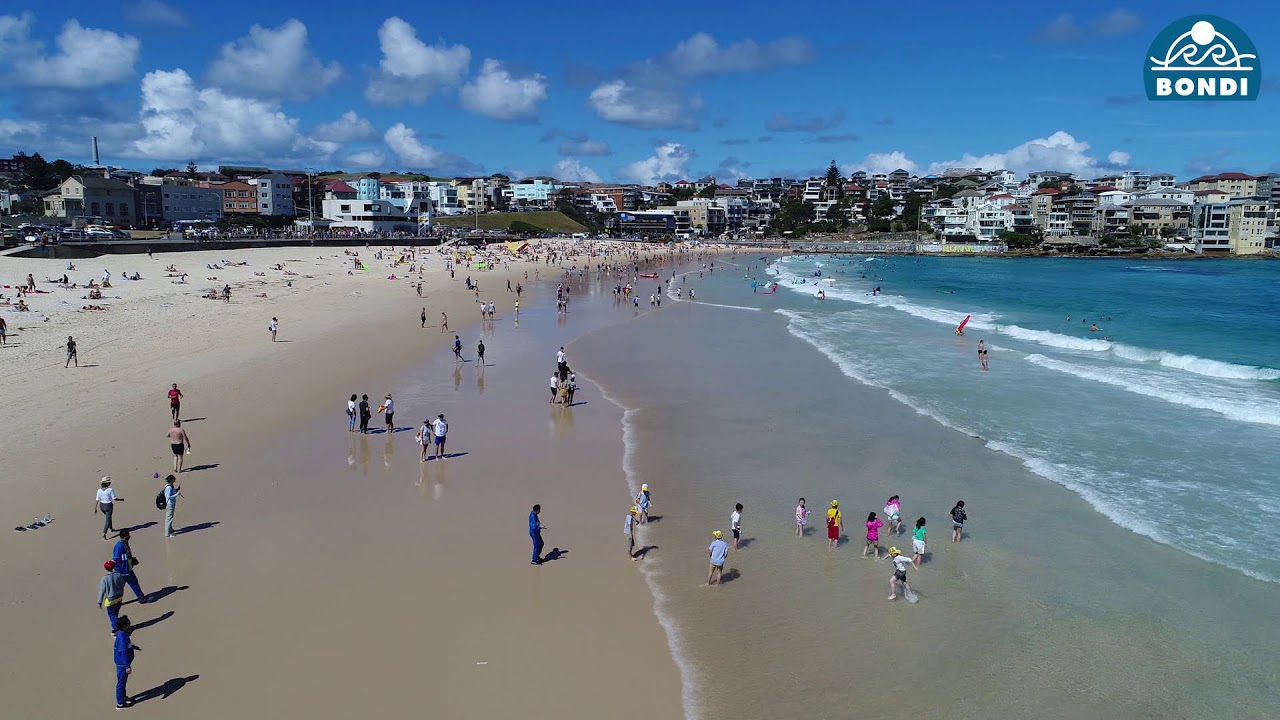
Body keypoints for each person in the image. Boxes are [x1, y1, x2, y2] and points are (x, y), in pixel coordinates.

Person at [111, 530, 146, 603]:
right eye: (128, 537)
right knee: (132, 584)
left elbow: (126, 556)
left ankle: (114, 601)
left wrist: (132, 559)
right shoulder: (119, 547)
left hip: (127, 569)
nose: (129, 538)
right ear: (124, 537)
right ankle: (141, 598)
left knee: (123, 587)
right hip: (123, 571)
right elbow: (115, 559)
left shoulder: (124, 544)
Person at [98, 560, 126, 632]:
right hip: (119, 598)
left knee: (112, 616)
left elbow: (102, 591)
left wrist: (100, 601)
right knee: (116, 613)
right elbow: (122, 584)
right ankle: (118, 626)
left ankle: (116, 630)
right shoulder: (118, 575)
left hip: (110, 601)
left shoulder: (104, 578)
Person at [95, 476, 122, 540]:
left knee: (108, 517)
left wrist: (95, 508)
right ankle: (104, 534)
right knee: (107, 520)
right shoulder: (110, 490)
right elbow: (114, 498)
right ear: (107, 483)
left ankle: (111, 528)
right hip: (108, 506)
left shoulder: (99, 490)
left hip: (101, 506)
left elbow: (97, 499)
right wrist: (121, 499)